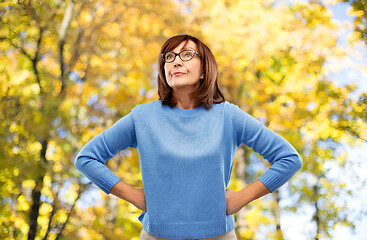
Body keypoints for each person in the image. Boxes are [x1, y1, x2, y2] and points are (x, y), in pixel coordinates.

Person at [74, 34, 303, 240]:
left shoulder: (228, 116)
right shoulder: (142, 117)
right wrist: (134, 196)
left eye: (187, 54)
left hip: (219, 236)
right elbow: (87, 159)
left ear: (205, 69)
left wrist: (241, 198)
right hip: (156, 236)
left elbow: (289, 159)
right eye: (169, 57)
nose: (176, 61)